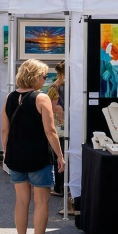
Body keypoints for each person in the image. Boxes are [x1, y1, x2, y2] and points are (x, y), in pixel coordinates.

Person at [2, 59, 65, 234]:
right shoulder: (41, 98)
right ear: (36, 76)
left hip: (16, 156)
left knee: (21, 202)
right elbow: (50, 130)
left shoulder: (10, 97)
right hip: (38, 157)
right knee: (41, 203)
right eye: (44, 76)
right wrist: (60, 156)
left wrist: (6, 153)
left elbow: (5, 130)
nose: (45, 80)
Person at [47, 61, 66, 197]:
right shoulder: (55, 88)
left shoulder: (57, 87)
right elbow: (53, 107)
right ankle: (60, 187)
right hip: (59, 127)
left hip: (61, 126)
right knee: (59, 157)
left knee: (59, 157)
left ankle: (60, 187)